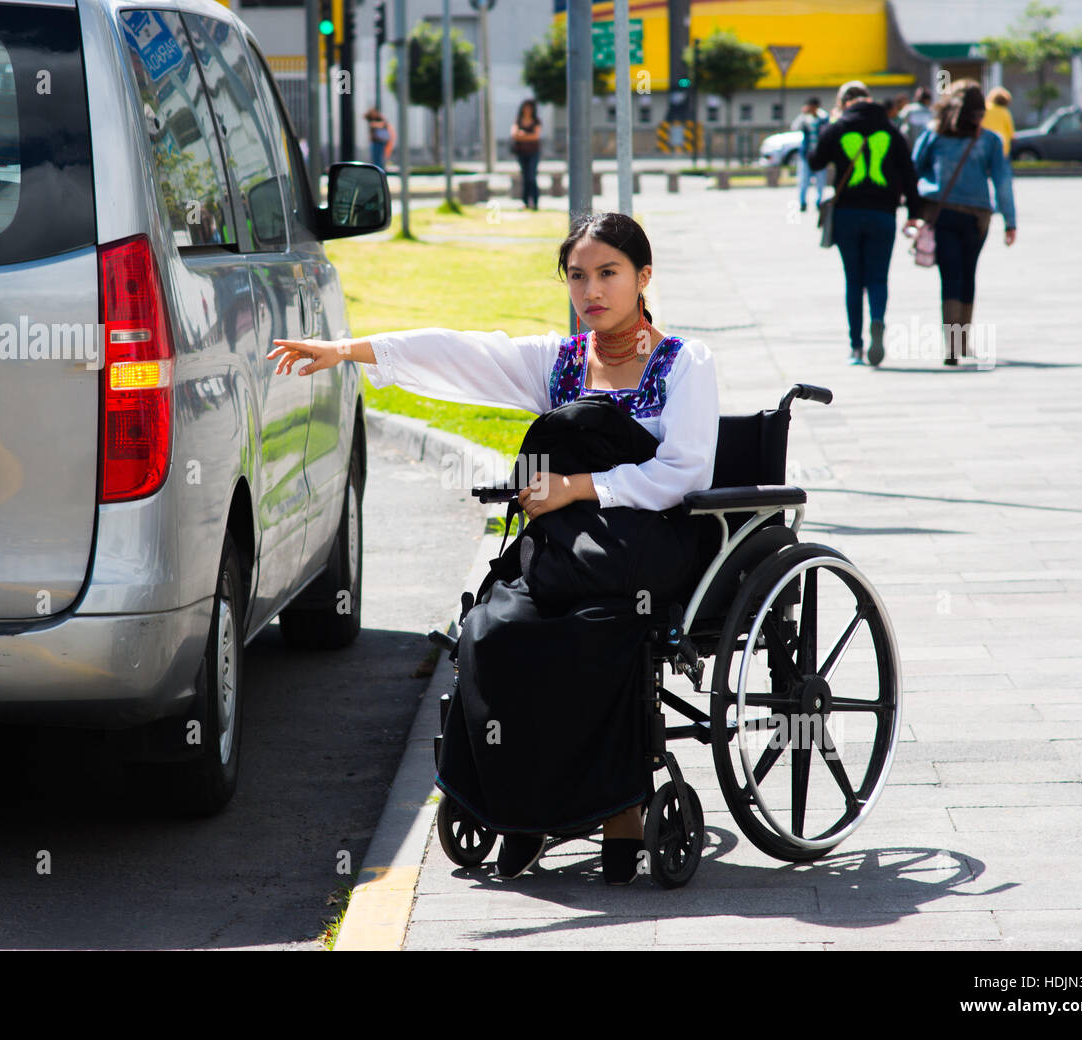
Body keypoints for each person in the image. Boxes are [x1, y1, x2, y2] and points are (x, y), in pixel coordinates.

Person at [267, 213, 720, 885]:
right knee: (496, 630)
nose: (590, 290)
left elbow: (682, 474)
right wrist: (347, 351)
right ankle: (523, 806)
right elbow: (461, 352)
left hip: (647, 548)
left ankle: (621, 804)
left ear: (643, 277)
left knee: (598, 629)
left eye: (608, 273)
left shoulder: (684, 363)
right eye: (576, 275)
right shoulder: (561, 363)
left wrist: (575, 486)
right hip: (564, 550)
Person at [808, 80, 923, 366]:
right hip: (883, 214)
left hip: (847, 213)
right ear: (869, 100)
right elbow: (910, 173)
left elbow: (815, 162)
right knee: (878, 277)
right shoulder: (891, 131)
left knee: (853, 280)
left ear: (843, 102)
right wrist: (914, 211)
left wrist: (825, 131)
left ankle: (856, 347)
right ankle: (878, 320)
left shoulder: (837, 128)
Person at [909, 79, 1017, 365]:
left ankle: (951, 347)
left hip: (942, 213)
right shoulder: (990, 140)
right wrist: (1010, 221)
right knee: (968, 273)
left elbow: (913, 169)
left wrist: (918, 201)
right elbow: (1002, 182)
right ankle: (963, 341)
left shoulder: (933, 134)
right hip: (978, 216)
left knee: (950, 276)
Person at [791, 96, 828, 212]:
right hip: (806, 154)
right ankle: (802, 202)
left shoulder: (823, 117)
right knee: (803, 180)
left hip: (820, 154)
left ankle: (819, 201)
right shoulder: (804, 119)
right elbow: (794, 127)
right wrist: (802, 114)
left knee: (821, 181)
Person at [511, 99, 542, 211]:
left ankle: (535, 202)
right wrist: (528, 135)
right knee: (525, 177)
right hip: (521, 153)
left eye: (529, 108)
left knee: (531, 177)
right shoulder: (518, 120)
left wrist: (523, 135)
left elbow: (535, 136)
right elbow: (514, 134)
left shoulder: (536, 121)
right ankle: (525, 202)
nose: (527, 110)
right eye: (525, 108)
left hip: (533, 152)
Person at [981, 87, 1015, 157]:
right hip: (1002, 145)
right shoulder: (1005, 112)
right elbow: (1011, 133)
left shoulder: (985, 108)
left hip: (985, 143)